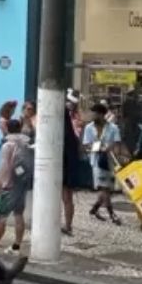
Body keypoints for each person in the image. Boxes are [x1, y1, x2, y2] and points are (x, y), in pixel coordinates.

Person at [0, 119, 32, 253]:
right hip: (22, 183)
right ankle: (16, 245)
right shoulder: (26, 143)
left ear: (7, 128)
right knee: (19, 214)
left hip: (9, 184)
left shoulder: (7, 145)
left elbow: (4, 166)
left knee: (1, 215)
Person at [83, 102, 123, 225]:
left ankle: (94, 209)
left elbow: (117, 144)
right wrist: (99, 147)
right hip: (97, 161)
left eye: (94, 113)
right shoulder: (89, 128)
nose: (92, 115)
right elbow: (86, 145)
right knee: (103, 188)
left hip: (110, 161)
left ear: (101, 114)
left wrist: (115, 153)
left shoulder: (113, 128)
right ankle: (112, 214)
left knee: (108, 189)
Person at [62, 89, 84, 236]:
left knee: (66, 197)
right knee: (67, 197)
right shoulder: (71, 135)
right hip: (69, 165)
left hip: (64, 165)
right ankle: (68, 225)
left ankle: (67, 225)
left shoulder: (66, 129)